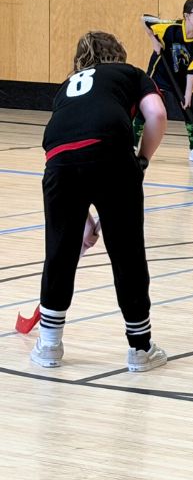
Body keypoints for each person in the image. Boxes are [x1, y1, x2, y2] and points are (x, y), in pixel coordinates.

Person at [31, 31, 169, 372]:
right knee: (127, 253)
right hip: (112, 156)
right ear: (118, 53)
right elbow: (157, 115)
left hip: (59, 163)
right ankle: (140, 348)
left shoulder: (67, 86)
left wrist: (84, 219)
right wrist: (141, 161)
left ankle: (49, 345)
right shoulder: (131, 73)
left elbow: (69, 146)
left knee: (59, 252)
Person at [138, 0, 193, 163]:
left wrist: (188, 94)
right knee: (147, 106)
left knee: (188, 109)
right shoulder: (171, 27)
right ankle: (133, 144)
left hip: (180, 77)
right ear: (186, 15)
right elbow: (144, 19)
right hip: (159, 73)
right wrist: (154, 40)